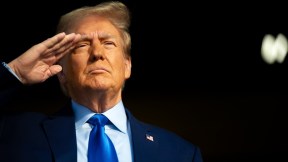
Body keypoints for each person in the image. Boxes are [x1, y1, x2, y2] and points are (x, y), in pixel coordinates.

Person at [0, 1, 203, 162]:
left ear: (127, 66)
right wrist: (14, 72)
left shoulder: (180, 153)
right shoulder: (17, 135)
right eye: (82, 44)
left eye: (108, 43)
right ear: (61, 72)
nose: (97, 53)